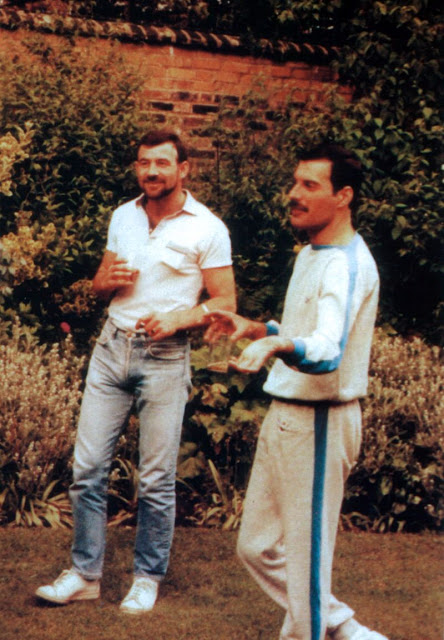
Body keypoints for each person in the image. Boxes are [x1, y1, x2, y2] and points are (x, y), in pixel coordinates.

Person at [36, 129, 236, 614]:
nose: (151, 171)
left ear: (183, 168)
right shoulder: (123, 216)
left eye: (162, 163)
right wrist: (102, 282)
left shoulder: (208, 228)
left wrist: (179, 319)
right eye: (144, 163)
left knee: (155, 479)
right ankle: (85, 575)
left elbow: (226, 302)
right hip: (111, 351)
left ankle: (147, 577)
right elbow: (101, 285)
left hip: (164, 357)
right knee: (87, 470)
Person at [205, 145, 388, 640]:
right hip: (287, 413)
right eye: (295, 182)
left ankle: (314, 631)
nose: (294, 194)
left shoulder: (346, 265)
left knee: (307, 559)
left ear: (343, 196)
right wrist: (256, 329)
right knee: (257, 546)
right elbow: (305, 331)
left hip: (320, 419)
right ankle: (344, 627)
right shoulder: (312, 253)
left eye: (310, 185)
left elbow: (327, 351)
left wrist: (275, 345)